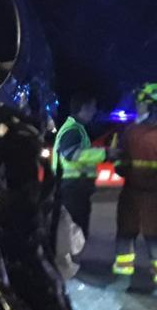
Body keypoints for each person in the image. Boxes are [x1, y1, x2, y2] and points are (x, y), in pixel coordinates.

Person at [114, 83, 157, 282]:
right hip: (153, 197)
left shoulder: (130, 132)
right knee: (154, 238)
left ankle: (123, 277)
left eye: (141, 103)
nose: (138, 107)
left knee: (126, 234)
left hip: (131, 194)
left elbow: (119, 166)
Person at [54, 94, 105, 238]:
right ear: (84, 108)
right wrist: (104, 154)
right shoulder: (73, 130)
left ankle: (69, 259)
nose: (95, 111)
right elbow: (72, 154)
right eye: (93, 107)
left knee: (74, 230)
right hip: (73, 187)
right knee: (75, 231)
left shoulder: (76, 128)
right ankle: (68, 259)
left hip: (74, 186)